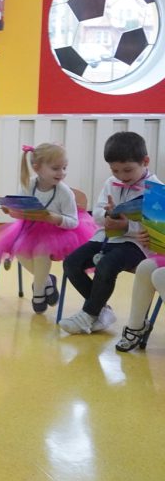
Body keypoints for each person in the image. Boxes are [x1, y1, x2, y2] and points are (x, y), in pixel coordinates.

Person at [59, 131, 158, 335]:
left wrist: (127, 226)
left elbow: (154, 229)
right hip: (107, 238)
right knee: (70, 263)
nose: (122, 176)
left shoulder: (156, 189)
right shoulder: (110, 183)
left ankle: (88, 314)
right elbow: (96, 214)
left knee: (106, 265)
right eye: (115, 170)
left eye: (127, 170)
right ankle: (101, 310)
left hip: (136, 245)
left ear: (145, 161)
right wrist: (106, 216)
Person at [0, 143, 96, 313]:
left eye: (64, 168)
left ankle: (38, 293)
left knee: (41, 250)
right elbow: (22, 212)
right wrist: (12, 211)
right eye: (56, 168)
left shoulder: (64, 192)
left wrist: (54, 218)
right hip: (29, 228)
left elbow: (73, 222)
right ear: (37, 168)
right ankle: (47, 281)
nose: (61, 173)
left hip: (57, 231)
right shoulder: (28, 185)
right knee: (19, 250)